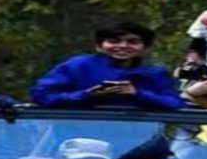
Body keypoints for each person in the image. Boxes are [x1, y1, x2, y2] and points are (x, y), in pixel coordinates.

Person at [30, 22, 184, 110]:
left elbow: (175, 104)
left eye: (132, 42)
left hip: (138, 139)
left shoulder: (154, 73)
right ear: (99, 46)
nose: (123, 46)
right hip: (80, 138)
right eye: (114, 41)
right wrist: (86, 95)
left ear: (145, 47)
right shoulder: (78, 66)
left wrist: (137, 94)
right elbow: (41, 95)